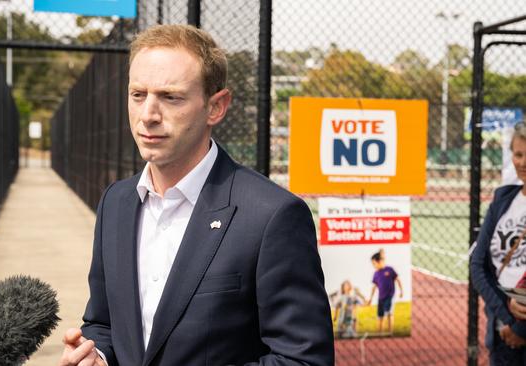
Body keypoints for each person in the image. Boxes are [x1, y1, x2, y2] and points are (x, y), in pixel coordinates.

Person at [58, 24, 334, 366]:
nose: (148, 116)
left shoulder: (272, 216)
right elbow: (103, 323)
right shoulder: (116, 202)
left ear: (216, 107)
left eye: (170, 97)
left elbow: (304, 360)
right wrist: (96, 354)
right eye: (138, 95)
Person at [471, 121, 526, 365]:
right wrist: (507, 314)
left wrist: (523, 330)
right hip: (502, 334)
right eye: (518, 154)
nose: (523, 163)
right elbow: (477, 265)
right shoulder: (503, 200)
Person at [367, 249, 403, 335]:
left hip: (389, 296)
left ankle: (390, 332)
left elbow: (398, 280)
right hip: (380, 297)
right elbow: (374, 287)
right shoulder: (376, 274)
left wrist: (401, 291)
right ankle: (380, 332)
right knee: (380, 316)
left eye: (374, 263)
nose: (374, 266)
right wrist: (370, 298)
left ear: (379, 261)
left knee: (389, 313)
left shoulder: (389, 269)